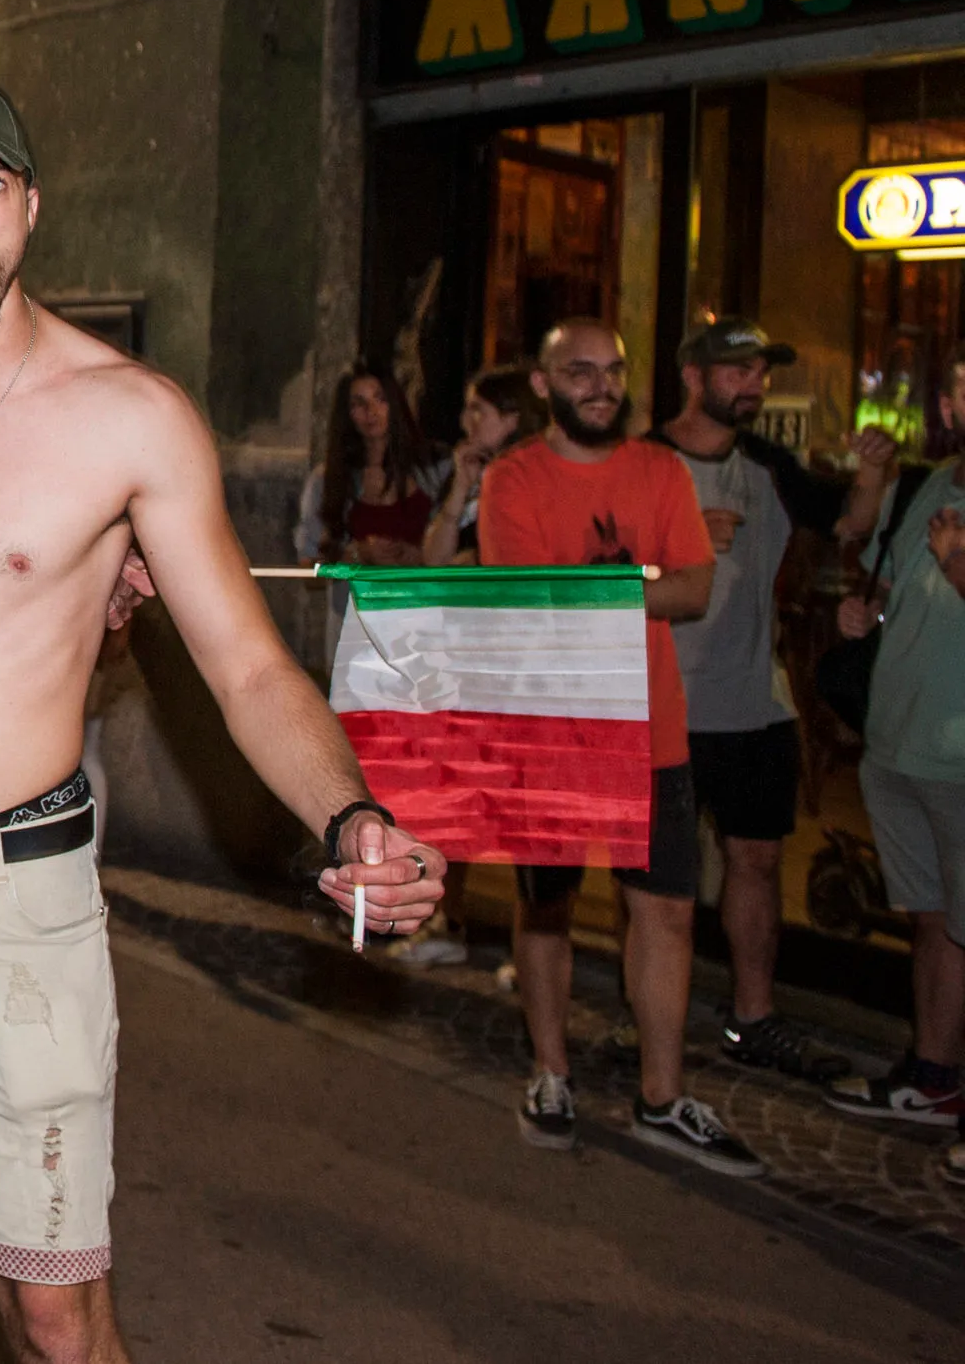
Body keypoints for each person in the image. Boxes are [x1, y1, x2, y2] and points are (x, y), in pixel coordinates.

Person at [0, 73, 447, 1364]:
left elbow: (247, 669)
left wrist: (351, 812)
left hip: (13, 899)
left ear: (31, 208)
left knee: (55, 1311)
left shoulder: (131, 419)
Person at [477, 318, 764, 1175]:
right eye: (580, 370)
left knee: (667, 910)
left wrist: (602, 588)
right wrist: (636, 579)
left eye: (613, 370)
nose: (601, 384)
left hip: (653, 731)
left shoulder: (660, 470)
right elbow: (528, 597)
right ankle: (552, 1071)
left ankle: (662, 1096)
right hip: (553, 731)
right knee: (547, 906)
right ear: (543, 382)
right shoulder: (512, 479)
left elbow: (694, 588)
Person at [653, 317, 894, 1080]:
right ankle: (653, 1015)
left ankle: (752, 1018)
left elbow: (849, 520)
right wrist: (678, 543)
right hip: (664, 702)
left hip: (755, 701)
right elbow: (596, 565)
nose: (754, 384)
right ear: (693, 376)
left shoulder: (770, 464)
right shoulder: (645, 462)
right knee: (664, 878)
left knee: (755, 861)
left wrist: (874, 471)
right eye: (738, 372)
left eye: (761, 371)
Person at [826, 341, 965, 1193]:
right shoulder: (931, 482)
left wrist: (959, 564)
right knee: (935, 919)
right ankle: (933, 1075)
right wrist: (864, 613)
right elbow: (868, 556)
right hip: (899, 740)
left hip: (959, 753)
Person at [296, 362, 444, 568]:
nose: (371, 411)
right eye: (358, 403)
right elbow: (308, 569)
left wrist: (423, 555)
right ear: (346, 413)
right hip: (357, 599)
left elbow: (466, 555)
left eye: (380, 399)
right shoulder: (327, 481)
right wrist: (357, 553)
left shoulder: (435, 468)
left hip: (424, 597)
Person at [421, 363, 543, 566]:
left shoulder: (530, 480)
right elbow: (434, 561)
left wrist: (478, 558)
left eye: (477, 410)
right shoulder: (469, 471)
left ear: (512, 420)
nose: (464, 421)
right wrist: (460, 487)